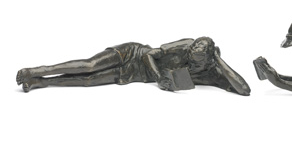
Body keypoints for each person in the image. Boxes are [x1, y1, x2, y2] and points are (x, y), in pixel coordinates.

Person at [17, 37, 251, 96]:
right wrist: (159, 77)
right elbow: (150, 55)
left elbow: (244, 89)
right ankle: (35, 71)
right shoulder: (185, 46)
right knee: (90, 65)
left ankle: (39, 83)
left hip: (135, 75)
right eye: (194, 48)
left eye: (200, 52)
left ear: (208, 57)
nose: (193, 51)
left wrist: (220, 60)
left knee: (89, 81)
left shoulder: (211, 72)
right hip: (134, 53)